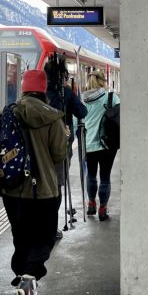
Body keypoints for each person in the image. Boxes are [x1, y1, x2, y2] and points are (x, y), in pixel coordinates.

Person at [4, 69, 68, 295]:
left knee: (21, 234)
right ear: (43, 90)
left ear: (23, 88)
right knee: (45, 236)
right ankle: (30, 276)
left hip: (13, 190)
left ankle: (21, 273)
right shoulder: (53, 118)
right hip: (43, 190)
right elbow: (59, 155)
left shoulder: (9, 112)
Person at [44, 55, 87, 239]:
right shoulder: (67, 93)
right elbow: (82, 112)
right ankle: (52, 228)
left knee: (42, 185)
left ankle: (41, 226)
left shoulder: (40, 92)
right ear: (63, 76)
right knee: (57, 185)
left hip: (40, 146)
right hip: (62, 145)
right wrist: (73, 93)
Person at [79, 71, 120, 221]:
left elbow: (77, 123)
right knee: (105, 177)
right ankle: (103, 209)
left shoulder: (81, 100)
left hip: (88, 145)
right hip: (107, 145)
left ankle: (91, 204)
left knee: (91, 175)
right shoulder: (112, 97)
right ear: (103, 82)